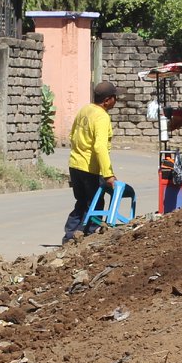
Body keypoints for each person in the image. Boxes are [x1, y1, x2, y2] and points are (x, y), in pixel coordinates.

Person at [64, 81, 118, 243]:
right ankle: (87, 235)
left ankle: (69, 236)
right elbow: (100, 147)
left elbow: (72, 135)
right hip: (90, 168)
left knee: (81, 202)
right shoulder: (102, 117)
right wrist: (108, 174)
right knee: (95, 202)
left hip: (75, 164)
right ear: (108, 100)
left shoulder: (84, 110)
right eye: (115, 98)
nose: (116, 101)